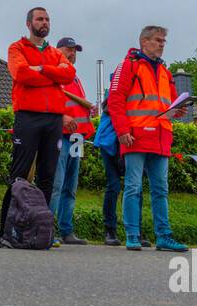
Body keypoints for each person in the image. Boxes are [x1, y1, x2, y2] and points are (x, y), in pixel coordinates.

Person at [106, 25, 188, 252]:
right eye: (158, 40)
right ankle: (132, 234)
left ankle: (164, 236)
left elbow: (169, 103)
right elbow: (115, 100)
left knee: (160, 189)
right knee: (133, 187)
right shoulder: (128, 66)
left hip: (161, 137)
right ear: (144, 42)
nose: (162, 44)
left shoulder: (165, 71)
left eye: (164, 41)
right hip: (136, 137)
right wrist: (122, 131)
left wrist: (178, 110)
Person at [2, 8, 75, 230]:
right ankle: (8, 227)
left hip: (53, 119)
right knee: (19, 174)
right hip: (28, 116)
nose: (44, 22)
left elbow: (69, 74)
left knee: (48, 176)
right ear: (29, 23)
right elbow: (21, 74)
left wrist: (42, 68)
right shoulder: (17, 48)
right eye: (39, 19)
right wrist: (53, 76)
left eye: (47, 19)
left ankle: (40, 228)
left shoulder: (55, 53)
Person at [48, 36, 93, 246]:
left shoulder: (75, 78)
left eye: (75, 50)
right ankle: (47, 229)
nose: (72, 53)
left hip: (77, 138)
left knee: (70, 187)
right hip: (60, 136)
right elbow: (47, 103)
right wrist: (60, 118)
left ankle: (66, 231)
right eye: (69, 49)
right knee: (56, 185)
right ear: (58, 51)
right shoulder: (54, 74)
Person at [92, 76, 125, 245]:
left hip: (125, 144)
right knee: (114, 185)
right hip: (110, 144)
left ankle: (135, 230)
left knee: (134, 187)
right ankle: (109, 230)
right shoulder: (114, 98)